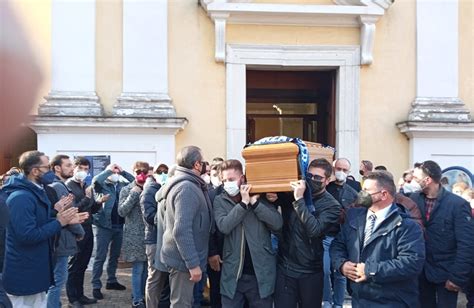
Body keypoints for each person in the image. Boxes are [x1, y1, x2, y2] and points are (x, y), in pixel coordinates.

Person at [2, 151, 87, 307]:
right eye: (47, 167)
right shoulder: (21, 197)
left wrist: (61, 218)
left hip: (34, 268)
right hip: (24, 272)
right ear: (35, 171)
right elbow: (27, 235)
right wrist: (59, 222)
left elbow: (39, 222)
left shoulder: (34, 192)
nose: (50, 171)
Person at [330, 171, 425, 307]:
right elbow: (338, 245)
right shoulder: (354, 217)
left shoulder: (407, 226)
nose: (361, 194)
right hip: (359, 299)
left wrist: (370, 270)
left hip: (393, 301)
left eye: (367, 191)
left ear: (384, 194)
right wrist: (341, 264)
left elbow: (412, 262)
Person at [273, 158, 341, 308]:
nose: (312, 180)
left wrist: (299, 200)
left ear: (327, 180)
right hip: (286, 267)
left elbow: (315, 230)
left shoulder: (332, 206)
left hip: (310, 271)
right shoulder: (293, 193)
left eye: (318, 178)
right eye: (309, 176)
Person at [214, 159, 282, 307]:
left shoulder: (260, 196)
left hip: (260, 274)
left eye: (231, 179)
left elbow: (277, 224)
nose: (227, 184)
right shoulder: (220, 200)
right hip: (233, 275)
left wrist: (255, 204)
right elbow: (224, 226)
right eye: (224, 180)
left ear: (242, 178)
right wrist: (243, 204)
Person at [411, 160, 474, 308]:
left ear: (427, 180)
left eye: (416, 178)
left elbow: (467, 244)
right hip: (420, 273)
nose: (413, 181)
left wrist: (458, 277)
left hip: (446, 275)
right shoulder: (413, 200)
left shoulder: (457, 205)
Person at [160, 146, 213, 308]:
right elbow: (181, 230)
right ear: (197, 165)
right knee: (181, 304)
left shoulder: (191, 184)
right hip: (183, 261)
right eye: (202, 162)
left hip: (185, 258)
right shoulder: (187, 188)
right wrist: (192, 264)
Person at [46, 155, 87, 308]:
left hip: (60, 236)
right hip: (62, 238)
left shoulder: (58, 185)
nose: (72, 168)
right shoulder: (58, 186)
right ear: (57, 167)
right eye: (68, 165)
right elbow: (68, 213)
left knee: (56, 280)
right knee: (58, 281)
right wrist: (80, 232)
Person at [66, 157, 107, 307]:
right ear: (74, 169)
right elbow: (73, 208)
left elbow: (91, 209)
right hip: (76, 229)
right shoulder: (69, 186)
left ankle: (81, 294)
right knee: (74, 264)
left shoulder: (86, 186)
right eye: (80, 169)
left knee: (83, 263)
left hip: (88, 227)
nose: (83, 172)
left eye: (86, 169)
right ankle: (73, 298)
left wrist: (98, 202)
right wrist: (87, 197)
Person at [91, 163, 134, 300]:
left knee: (115, 256)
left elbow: (134, 182)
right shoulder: (101, 185)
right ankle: (96, 286)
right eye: (112, 172)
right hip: (104, 226)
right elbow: (95, 180)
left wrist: (122, 172)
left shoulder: (121, 185)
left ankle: (111, 280)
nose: (114, 174)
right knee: (100, 257)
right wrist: (108, 170)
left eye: (115, 172)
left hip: (119, 226)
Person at [324, 158, 357, 308]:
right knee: (325, 270)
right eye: (339, 169)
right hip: (325, 236)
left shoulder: (353, 193)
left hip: (342, 238)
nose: (341, 172)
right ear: (333, 169)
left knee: (340, 273)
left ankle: (338, 304)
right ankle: (326, 301)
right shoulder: (325, 189)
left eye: (345, 170)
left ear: (349, 172)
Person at [118, 161, 150, 308]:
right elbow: (122, 211)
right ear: (133, 172)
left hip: (149, 234)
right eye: (138, 171)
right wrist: (134, 194)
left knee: (146, 268)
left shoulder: (151, 188)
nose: (141, 174)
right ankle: (137, 299)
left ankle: (141, 294)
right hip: (134, 236)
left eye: (144, 171)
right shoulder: (127, 189)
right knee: (138, 268)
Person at [140, 168, 163, 308]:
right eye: (160, 172)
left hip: (164, 239)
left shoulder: (163, 189)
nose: (163, 174)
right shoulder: (149, 191)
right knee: (155, 277)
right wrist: (168, 216)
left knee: (162, 279)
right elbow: (150, 217)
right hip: (154, 239)